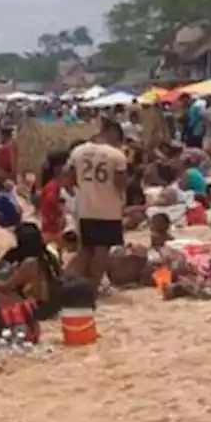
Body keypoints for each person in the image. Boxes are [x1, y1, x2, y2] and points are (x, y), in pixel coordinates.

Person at [66, 120, 128, 293]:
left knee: (85, 249)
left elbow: (69, 178)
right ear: (111, 132)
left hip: (85, 206)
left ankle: (73, 285)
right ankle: (92, 289)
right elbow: (120, 183)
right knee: (101, 250)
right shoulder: (116, 155)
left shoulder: (78, 151)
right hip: (108, 208)